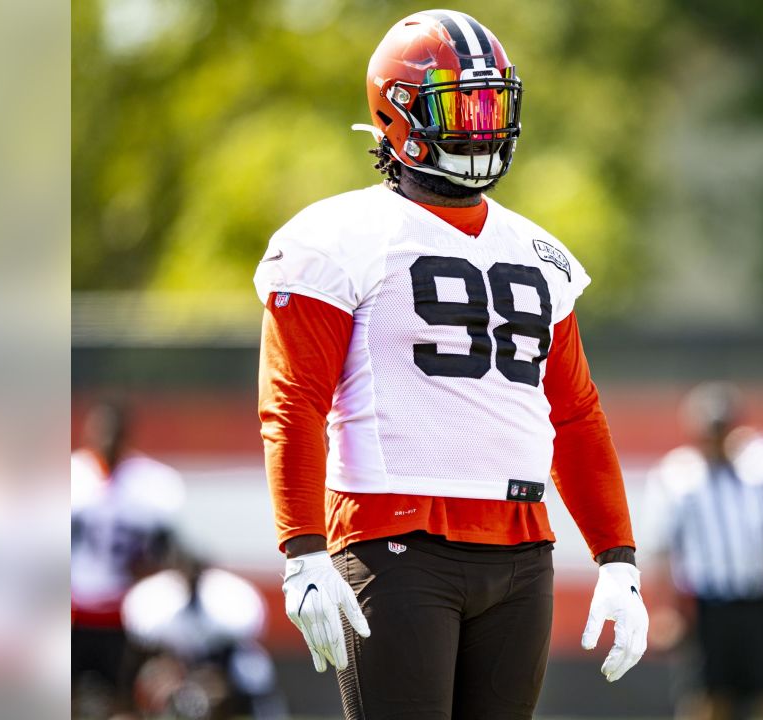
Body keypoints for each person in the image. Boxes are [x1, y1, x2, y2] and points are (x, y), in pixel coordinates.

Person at [253, 10, 647, 718]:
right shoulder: (338, 237)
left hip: (522, 549)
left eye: (492, 103)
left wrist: (617, 555)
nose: (482, 124)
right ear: (398, 113)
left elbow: (575, 412)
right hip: (393, 540)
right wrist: (303, 548)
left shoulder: (540, 252)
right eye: (462, 106)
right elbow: (293, 400)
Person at [646, 383, 763, 720]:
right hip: (709, 606)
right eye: (711, 430)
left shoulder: (760, 475)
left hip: (759, 601)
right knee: (708, 695)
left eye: (723, 429)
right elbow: (661, 549)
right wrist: (665, 609)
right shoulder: (679, 478)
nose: (718, 439)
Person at [71, 402, 185, 716]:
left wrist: (151, 573)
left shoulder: (152, 483)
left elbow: (167, 551)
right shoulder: (71, 476)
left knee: (127, 700)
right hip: (73, 609)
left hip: (126, 611)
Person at [120, 549, 286, 720]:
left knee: (253, 669)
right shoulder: (153, 596)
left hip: (223, 664)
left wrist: (216, 678)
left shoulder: (231, 594)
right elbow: (143, 650)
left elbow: (240, 642)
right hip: (172, 664)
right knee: (150, 677)